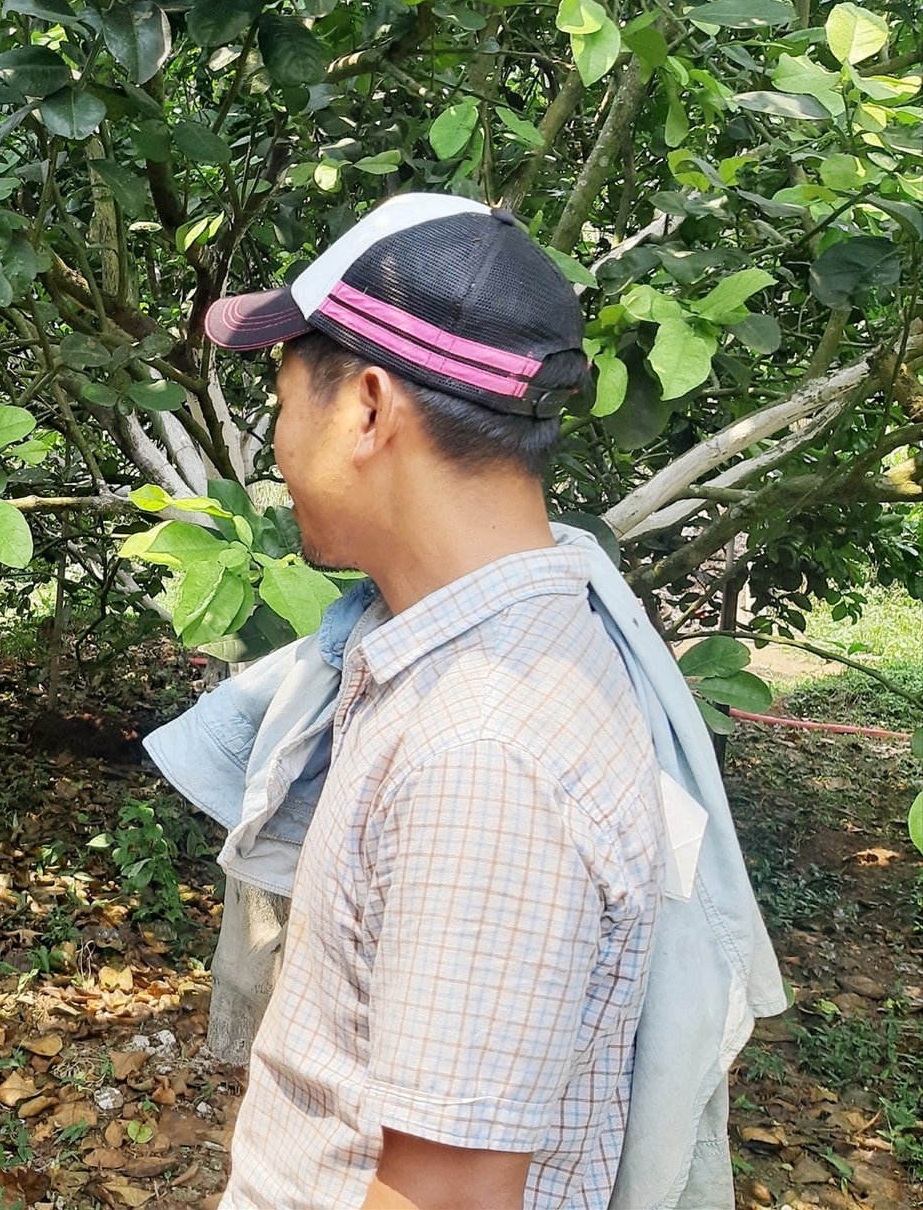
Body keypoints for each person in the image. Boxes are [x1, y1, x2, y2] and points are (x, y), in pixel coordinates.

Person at [195, 194, 671, 1209]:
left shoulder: (482, 753)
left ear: (366, 407)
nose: (276, 448)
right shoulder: (473, 650)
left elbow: (447, 1194)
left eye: (282, 403)